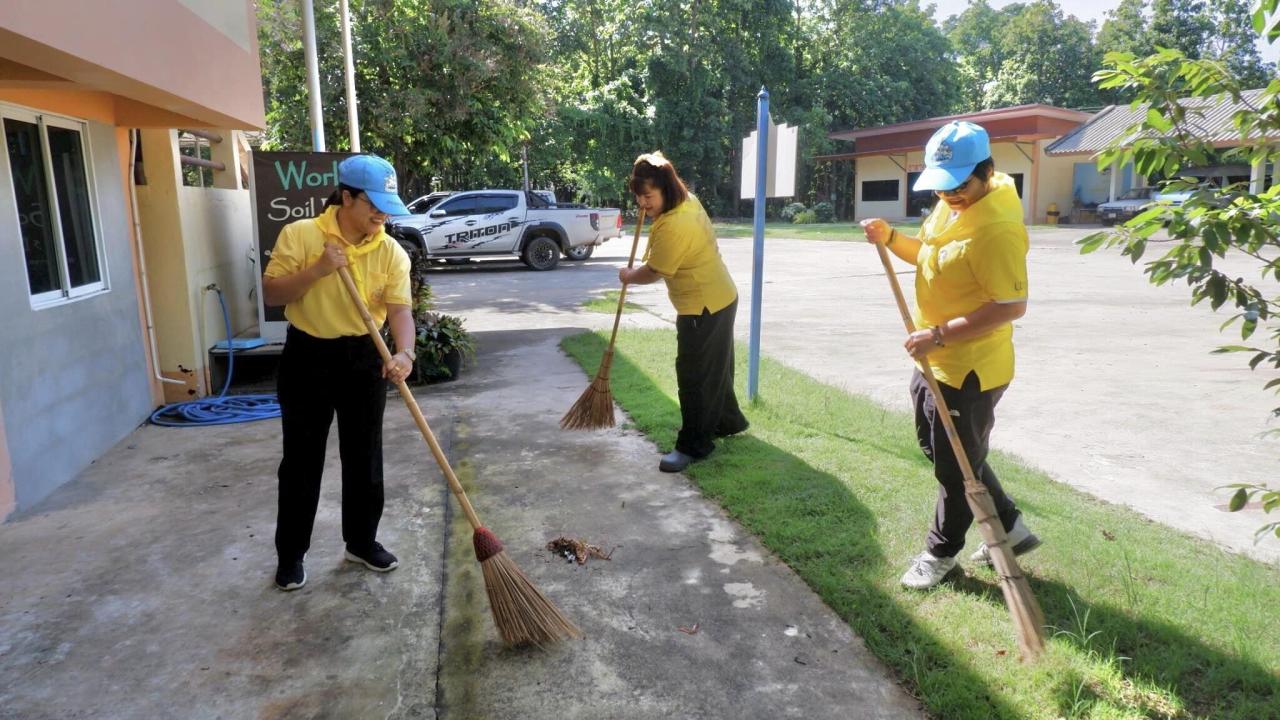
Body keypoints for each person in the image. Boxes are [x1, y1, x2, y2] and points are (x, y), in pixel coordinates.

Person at [859, 121, 1041, 590]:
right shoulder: (951, 208)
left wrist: (938, 335)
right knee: (948, 451)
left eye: (960, 186)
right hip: (936, 356)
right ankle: (1012, 527)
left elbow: (1009, 306)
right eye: (943, 188)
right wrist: (891, 239)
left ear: (987, 172)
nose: (952, 195)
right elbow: (929, 256)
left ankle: (941, 552)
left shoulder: (997, 229)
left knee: (954, 466)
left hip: (971, 367)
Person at [262, 154, 415, 591]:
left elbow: (400, 311)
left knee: (365, 455)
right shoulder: (302, 235)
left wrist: (405, 354)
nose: (381, 213)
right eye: (374, 203)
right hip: (307, 355)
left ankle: (361, 542)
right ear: (346, 197)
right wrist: (319, 269)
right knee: (301, 461)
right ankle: (291, 555)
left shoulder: (390, 250)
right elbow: (273, 292)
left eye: (387, 204)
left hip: (366, 356)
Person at [621, 152, 749, 473]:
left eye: (648, 196)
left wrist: (628, 276)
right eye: (638, 197)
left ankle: (694, 445)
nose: (642, 204)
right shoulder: (685, 199)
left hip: (702, 307)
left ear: (665, 188)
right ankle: (727, 421)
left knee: (694, 376)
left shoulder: (676, 224)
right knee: (715, 369)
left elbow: (655, 270)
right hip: (721, 296)